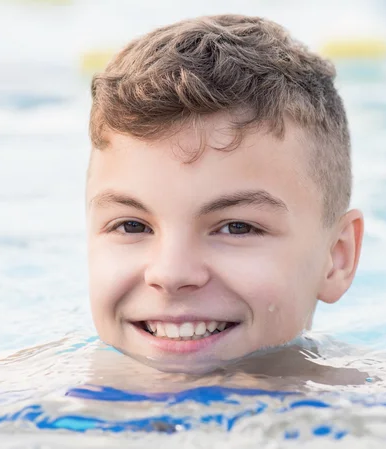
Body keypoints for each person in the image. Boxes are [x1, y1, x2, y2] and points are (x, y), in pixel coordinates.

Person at [85, 14, 364, 375]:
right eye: (132, 226)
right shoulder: (9, 397)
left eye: (236, 227)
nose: (170, 274)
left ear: (337, 257)